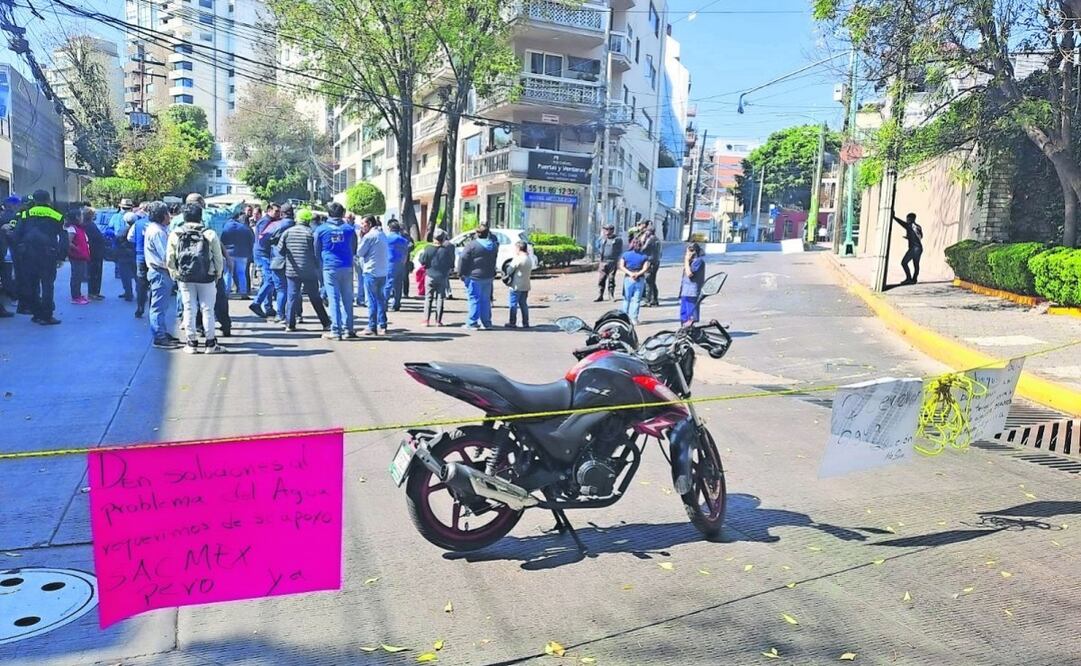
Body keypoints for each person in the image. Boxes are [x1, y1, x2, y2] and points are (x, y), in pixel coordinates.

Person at [167, 203, 225, 354]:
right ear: (200, 216)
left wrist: (174, 273)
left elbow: (170, 258)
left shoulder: (176, 233)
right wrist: (218, 273)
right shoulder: (209, 233)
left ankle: (191, 343)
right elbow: (218, 258)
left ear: (184, 217)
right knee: (208, 309)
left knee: (189, 308)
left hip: (184, 277)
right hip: (207, 276)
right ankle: (210, 343)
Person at [12, 190, 67, 325]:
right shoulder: (57, 216)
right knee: (48, 285)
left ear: (34, 200)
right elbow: (64, 238)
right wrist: (61, 256)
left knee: (32, 285)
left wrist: (19, 251)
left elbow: (16, 235)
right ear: (48, 200)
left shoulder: (25, 214)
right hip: (48, 255)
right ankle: (47, 316)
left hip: (28, 255)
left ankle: (37, 314)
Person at [279, 208, 331, 333]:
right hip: (309, 271)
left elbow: (280, 250)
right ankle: (326, 323)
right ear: (308, 220)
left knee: (292, 297)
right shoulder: (311, 233)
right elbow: (316, 252)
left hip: (292, 270)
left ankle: (290, 325)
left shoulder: (287, 232)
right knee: (315, 298)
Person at [315, 202, 358, 340]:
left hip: (330, 266)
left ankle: (336, 330)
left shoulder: (321, 230)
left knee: (333, 299)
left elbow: (316, 250)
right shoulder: (349, 229)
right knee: (347, 299)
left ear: (328, 214)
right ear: (343, 213)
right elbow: (354, 248)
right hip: (346, 266)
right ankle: (348, 329)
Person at [143, 201, 179, 349]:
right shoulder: (158, 232)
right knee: (158, 306)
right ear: (163, 215)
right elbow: (166, 255)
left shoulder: (157, 229)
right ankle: (159, 336)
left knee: (161, 305)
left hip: (159, 271)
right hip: (159, 271)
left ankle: (161, 331)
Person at [459, 222, 498, 331]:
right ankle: (487, 323)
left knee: (474, 299)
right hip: (488, 276)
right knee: (485, 300)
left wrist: (461, 273)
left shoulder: (472, 245)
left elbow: (463, 259)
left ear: (477, 233)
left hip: (474, 276)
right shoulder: (493, 245)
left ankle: (472, 322)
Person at [357, 215, 389, 335]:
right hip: (382, 272)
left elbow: (360, 252)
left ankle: (372, 326)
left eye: (363, 224)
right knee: (380, 298)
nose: (361, 227)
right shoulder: (382, 234)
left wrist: (361, 238)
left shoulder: (369, 236)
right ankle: (383, 324)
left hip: (371, 271)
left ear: (370, 224)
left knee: (371, 300)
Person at [418, 228, 455, 327]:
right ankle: (438, 321)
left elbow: (422, 260)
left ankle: (426, 320)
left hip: (430, 275)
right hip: (442, 276)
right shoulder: (446, 251)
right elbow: (451, 264)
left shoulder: (428, 248)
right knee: (440, 298)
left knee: (428, 298)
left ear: (434, 238)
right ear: (443, 238)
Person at [250, 202, 282, 318]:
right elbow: (263, 237)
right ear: (269, 211)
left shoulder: (270, 221)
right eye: (276, 211)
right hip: (262, 253)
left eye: (280, 212)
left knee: (266, 280)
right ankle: (256, 303)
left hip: (265, 253)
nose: (279, 214)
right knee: (270, 279)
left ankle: (268, 307)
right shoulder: (265, 221)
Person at [265, 203, 296, 323]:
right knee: (294, 289)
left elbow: (264, 238)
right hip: (293, 261)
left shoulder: (275, 225)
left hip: (277, 260)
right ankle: (296, 314)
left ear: (282, 213)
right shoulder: (296, 225)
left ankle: (280, 314)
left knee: (281, 289)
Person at [221, 211, 255, 298]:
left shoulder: (225, 226)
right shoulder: (244, 227)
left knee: (228, 273)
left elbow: (221, 240)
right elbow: (251, 240)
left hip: (228, 253)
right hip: (242, 254)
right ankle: (243, 292)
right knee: (241, 273)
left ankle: (226, 292)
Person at [108, 201, 137, 301]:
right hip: (129, 251)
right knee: (129, 273)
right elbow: (109, 229)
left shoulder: (135, 219)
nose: (125, 210)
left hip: (124, 251)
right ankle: (130, 292)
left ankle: (131, 293)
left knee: (127, 273)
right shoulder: (116, 217)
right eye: (124, 208)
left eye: (127, 208)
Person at [619, 237, 650, 325]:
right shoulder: (644, 256)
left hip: (628, 278)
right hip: (639, 279)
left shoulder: (626, 254)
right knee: (636, 300)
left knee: (626, 299)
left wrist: (630, 273)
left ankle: (624, 319)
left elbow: (621, 266)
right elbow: (646, 267)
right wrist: (638, 274)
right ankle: (634, 319)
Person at [66, 207, 93, 305]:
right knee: (76, 276)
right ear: (77, 217)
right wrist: (77, 249)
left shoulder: (79, 228)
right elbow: (68, 242)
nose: (82, 217)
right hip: (76, 256)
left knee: (80, 275)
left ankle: (78, 294)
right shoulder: (72, 228)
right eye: (81, 215)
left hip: (81, 255)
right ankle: (75, 296)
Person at [126, 209, 150, 317]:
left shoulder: (138, 223)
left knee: (141, 283)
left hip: (140, 256)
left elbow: (130, 238)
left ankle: (140, 306)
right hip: (154, 258)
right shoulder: (158, 224)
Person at [505, 240, 534, 329]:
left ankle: (512, 322)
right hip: (526, 284)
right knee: (523, 304)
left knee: (513, 304)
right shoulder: (529, 258)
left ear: (519, 248)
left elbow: (509, 270)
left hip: (516, 285)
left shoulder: (518, 258)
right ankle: (525, 322)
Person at [384, 220, 411, 312]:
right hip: (400, 263)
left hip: (390, 262)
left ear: (389, 228)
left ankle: (384, 303)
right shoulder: (403, 240)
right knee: (398, 284)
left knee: (388, 283)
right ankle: (396, 304)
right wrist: (403, 262)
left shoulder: (387, 238)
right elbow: (406, 252)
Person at [679, 242, 706, 327]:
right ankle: (684, 326)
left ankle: (690, 328)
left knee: (690, 315)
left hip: (692, 291)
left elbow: (689, 274)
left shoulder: (699, 261)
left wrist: (686, 260)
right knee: (684, 313)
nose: (688, 254)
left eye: (690, 251)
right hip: (685, 290)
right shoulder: (691, 261)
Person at [594, 223, 623, 302]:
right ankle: (600, 295)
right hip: (603, 261)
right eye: (605, 229)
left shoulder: (617, 239)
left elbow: (619, 250)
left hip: (612, 261)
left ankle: (611, 295)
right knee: (601, 279)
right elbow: (597, 246)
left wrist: (618, 260)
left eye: (609, 229)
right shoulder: (601, 239)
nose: (607, 231)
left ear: (612, 230)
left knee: (611, 279)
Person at [894, 212, 924, 284]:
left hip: (914, 248)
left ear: (911, 219)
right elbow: (921, 236)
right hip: (919, 248)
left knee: (904, 263)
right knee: (916, 264)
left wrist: (894, 217)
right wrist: (909, 237)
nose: (907, 220)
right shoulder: (918, 226)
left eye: (907, 219)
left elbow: (902, 223)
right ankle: (914, 279)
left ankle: (909, 278)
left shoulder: (909, 225)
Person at [83, 208, 106, 301]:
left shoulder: (89, 225)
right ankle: (92, 293)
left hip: (97, 252)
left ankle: (96, 292)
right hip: (94, 252)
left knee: (96, 272)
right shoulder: (89, 225)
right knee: (94, 273)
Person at [639, 224, 661, 307]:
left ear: (649, 231)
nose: (645, 232)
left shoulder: (650, 239)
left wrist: (642, 240)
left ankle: (648, 300)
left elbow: (642, 249)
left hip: (650, 263)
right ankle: (654, 299)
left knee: (648, 281)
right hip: (655, 262)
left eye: (646, 231)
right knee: (652, 281)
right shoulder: (657, 239)